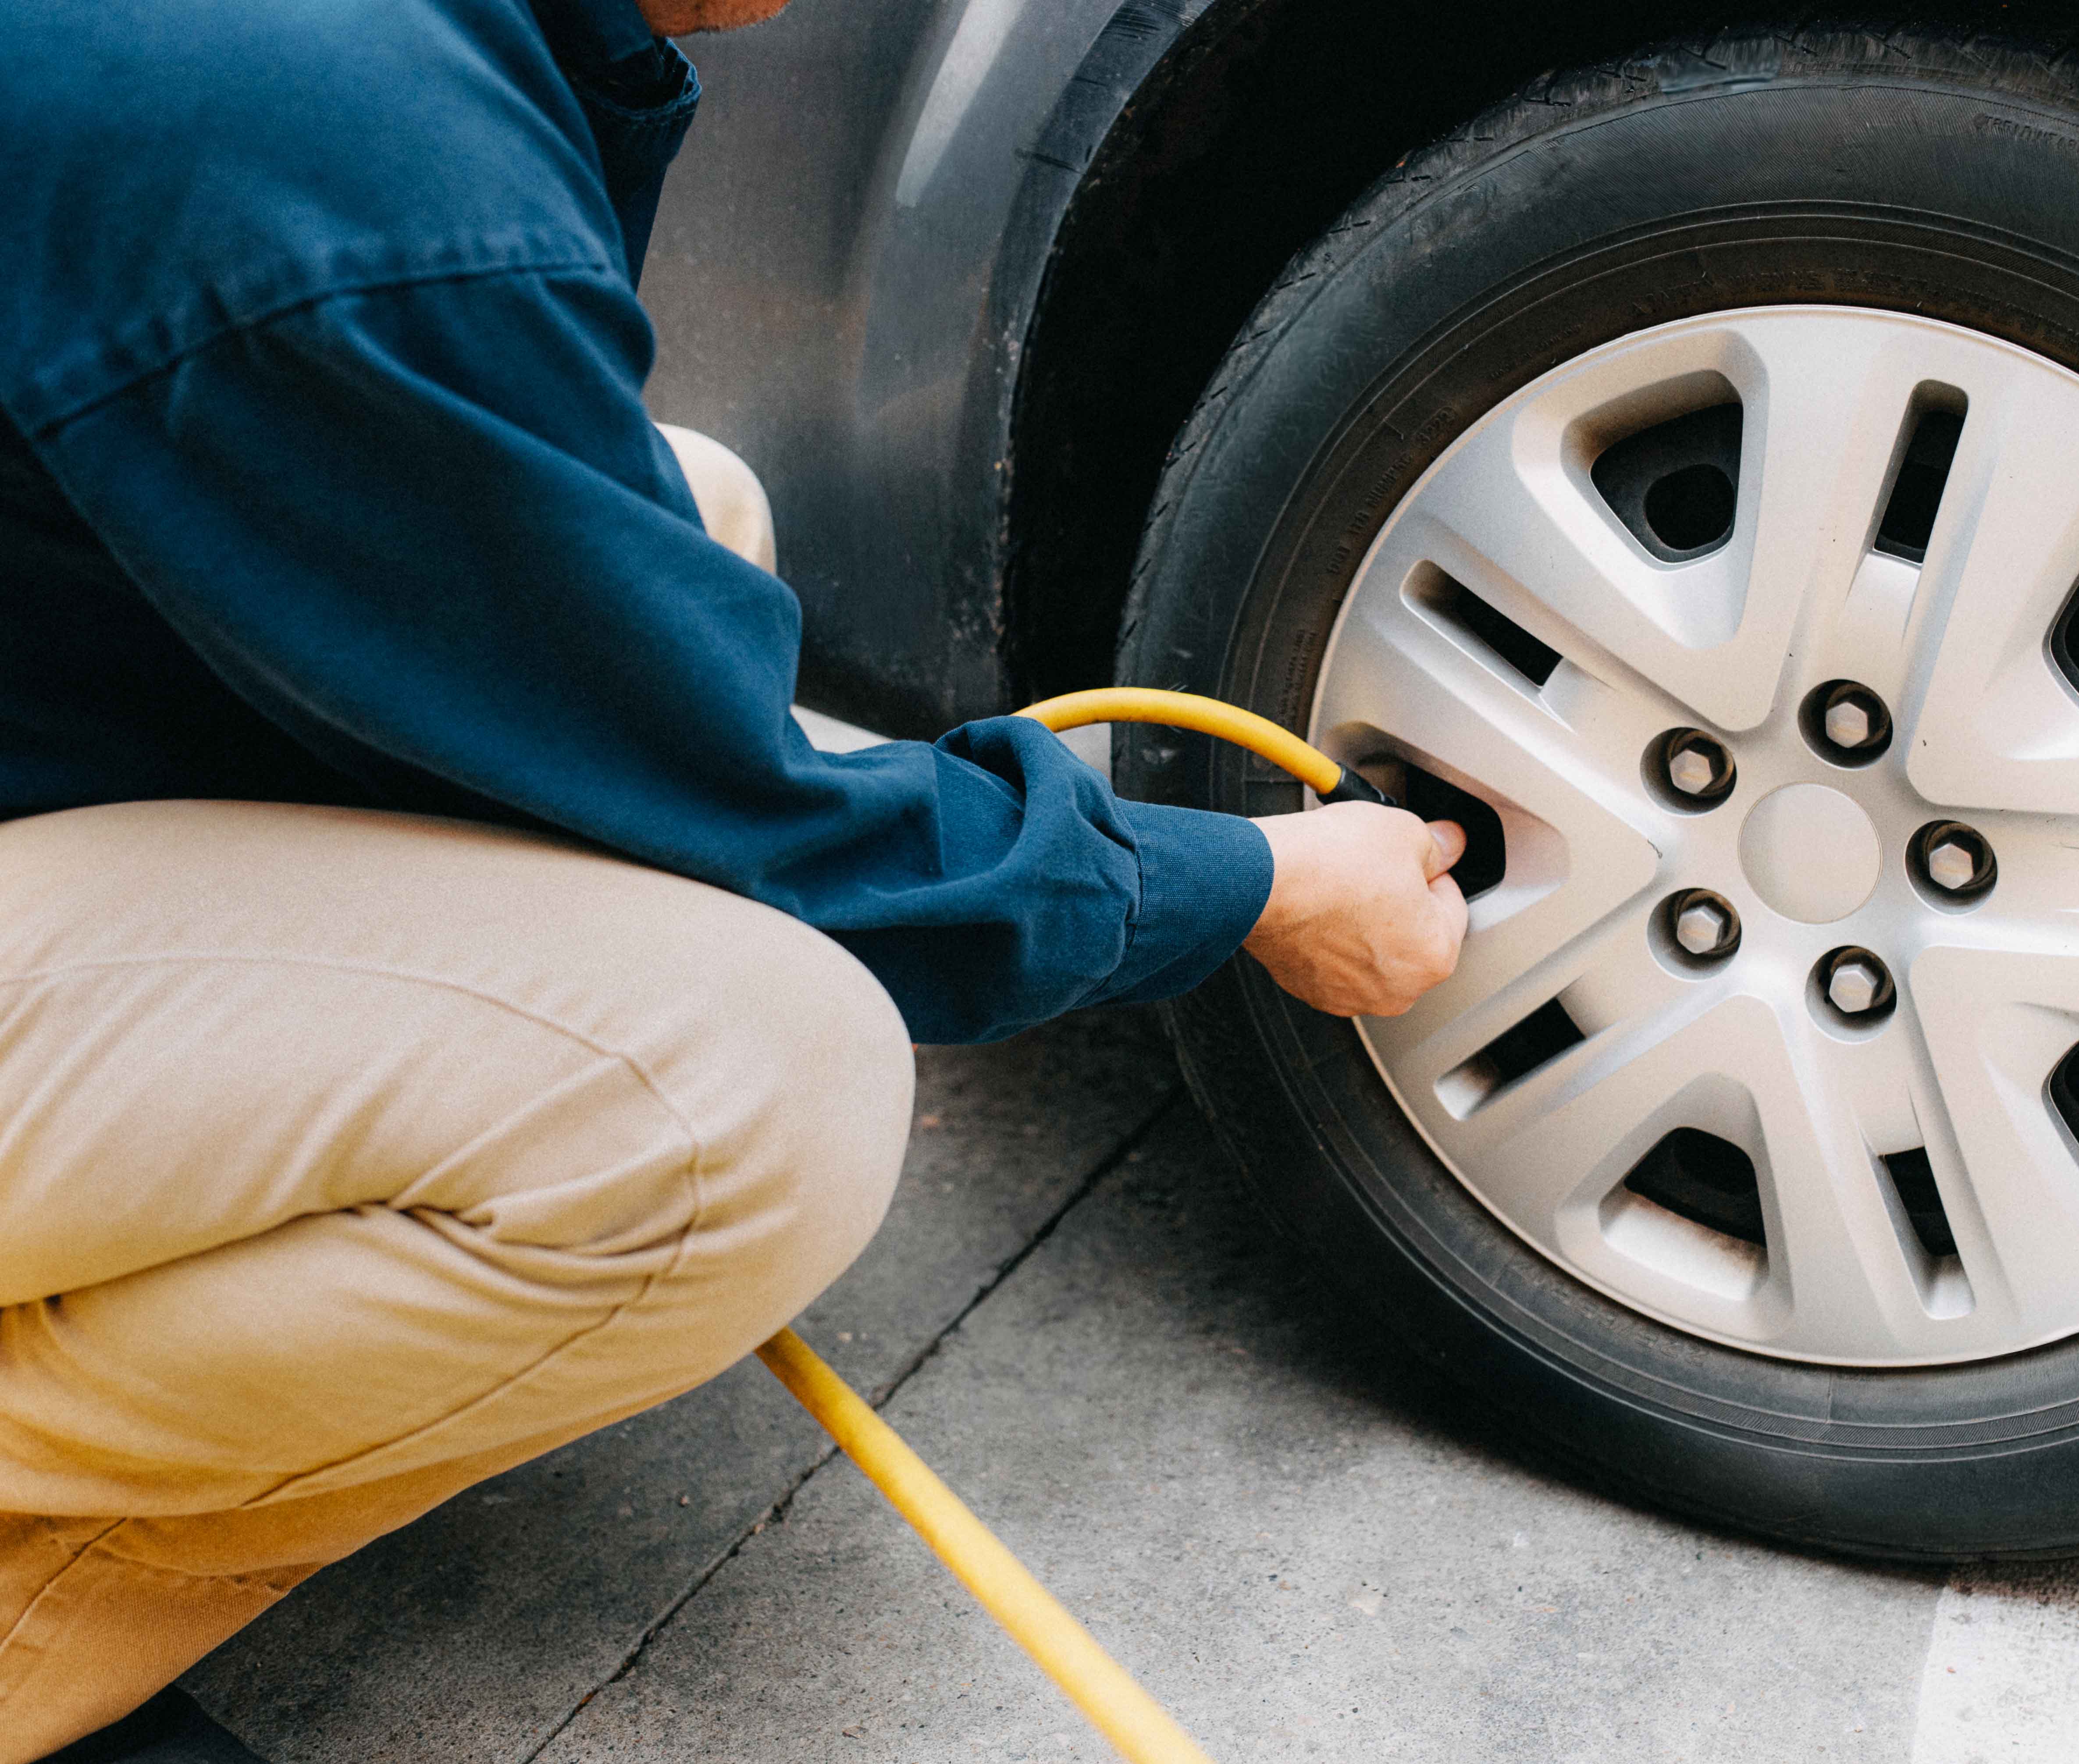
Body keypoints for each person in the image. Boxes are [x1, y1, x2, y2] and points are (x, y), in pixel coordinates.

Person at [0, 1, 1469, 1757]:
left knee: (688, 519)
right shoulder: (339, 166)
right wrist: (1254, 884)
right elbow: (760, 839)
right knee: (744, 1100)